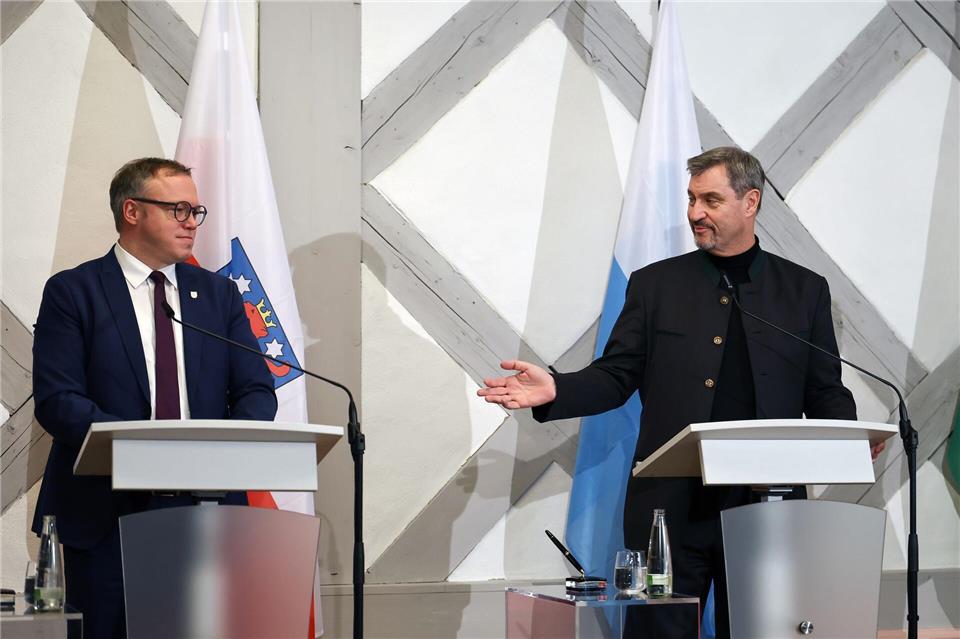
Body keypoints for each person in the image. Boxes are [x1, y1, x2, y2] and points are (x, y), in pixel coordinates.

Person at [478, 147, 884, 638]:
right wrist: (557, 389)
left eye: (711, 200)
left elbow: (824, 390)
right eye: (691, 199)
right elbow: (616, 375)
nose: (695, 213)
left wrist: (849, 437)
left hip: (768, 508)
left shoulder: (803, 290)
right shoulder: (655, 286)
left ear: (751, 202)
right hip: (668, 511)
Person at [30, 158, 277, 639]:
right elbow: (58, 400)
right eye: (178, 209)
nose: (191, 222)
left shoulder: (219, 295)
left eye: (196, 211)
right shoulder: (74, 292)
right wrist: (144, 452)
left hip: (207, 511)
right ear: (132, 211)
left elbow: (255, 390)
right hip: (107, 516)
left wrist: (220, 452)